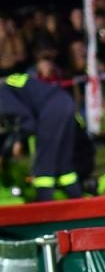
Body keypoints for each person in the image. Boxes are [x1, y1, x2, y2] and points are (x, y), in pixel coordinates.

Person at [0, 59, 92, 200]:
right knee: (64, 164)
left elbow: (27, 122)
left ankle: (44, 207)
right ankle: (78, 200)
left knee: (44, 165)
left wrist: (17, 141)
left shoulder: (2, 95)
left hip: (51, 109)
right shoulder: (7, 85)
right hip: (64, 101)